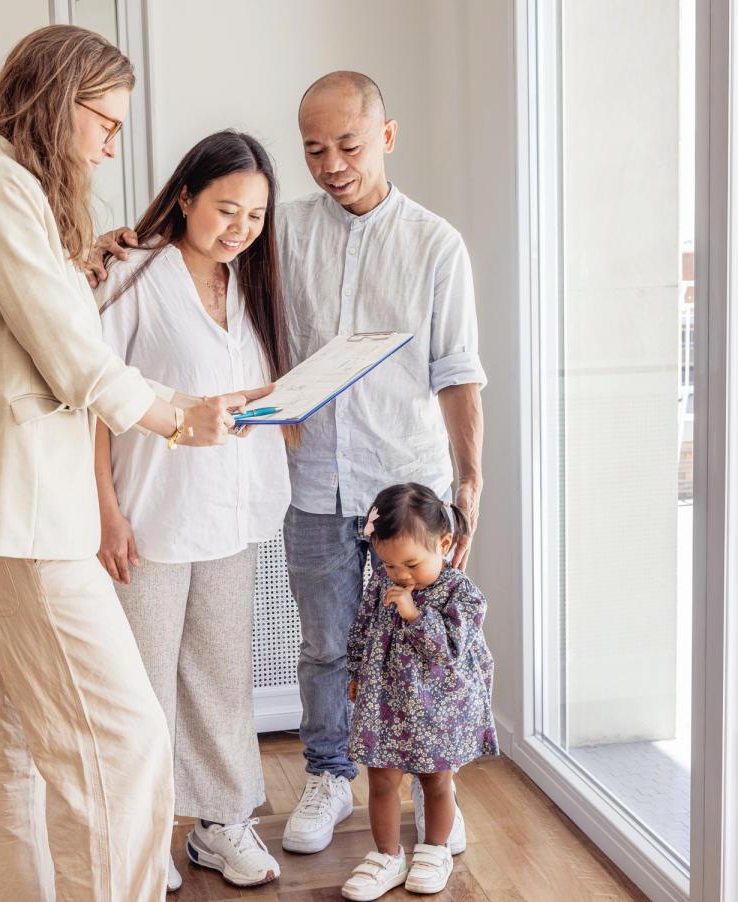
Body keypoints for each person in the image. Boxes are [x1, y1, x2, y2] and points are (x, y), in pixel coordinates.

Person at [0, 25, 267, 902]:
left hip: (19, 514)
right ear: (54, 101)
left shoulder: (12, 195)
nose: (113, 143)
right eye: (105, 121)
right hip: (29, 516)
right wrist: (174, 418)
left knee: (12, 746)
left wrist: (84, 261)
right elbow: (70, 358)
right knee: (125, 745)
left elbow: (38, 322)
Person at [277, 71, 487, 857]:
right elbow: (209, 237)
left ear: (387, 137)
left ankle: (437, 788)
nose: (332, 163)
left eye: (349, 145)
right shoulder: (285, 230)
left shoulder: (435, 242)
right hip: (315, 483)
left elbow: (457, 370)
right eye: (314, 149)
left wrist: (469, 484)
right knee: (327, 645)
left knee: (423, 644)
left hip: (409, 487)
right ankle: (331, 775)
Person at [93, 130, 290, 890]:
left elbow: (248, 396)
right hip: (150, 516)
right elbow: (89, 400)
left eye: (256, 214)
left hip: (230, 516)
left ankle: (221, 824)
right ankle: (141, 839)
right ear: (185, 197)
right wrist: (106, 510)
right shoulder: (133, 276)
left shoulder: (250, 284)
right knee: (141, 688)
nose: (240, 227)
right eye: (226, 208)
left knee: (221, 677)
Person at [340, 483, 498, 899]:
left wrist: (413, 613)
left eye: (410, 563)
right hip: (386, 703)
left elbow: (447, 651)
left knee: (436, 783)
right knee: (380, 781)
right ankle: (386, 855)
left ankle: (434, 849)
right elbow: (362, 627)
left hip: (438, 709)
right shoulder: (380, 582)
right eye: (389, 565)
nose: (400, 575)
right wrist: (355, 670)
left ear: (444, 544)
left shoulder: (461, 594)